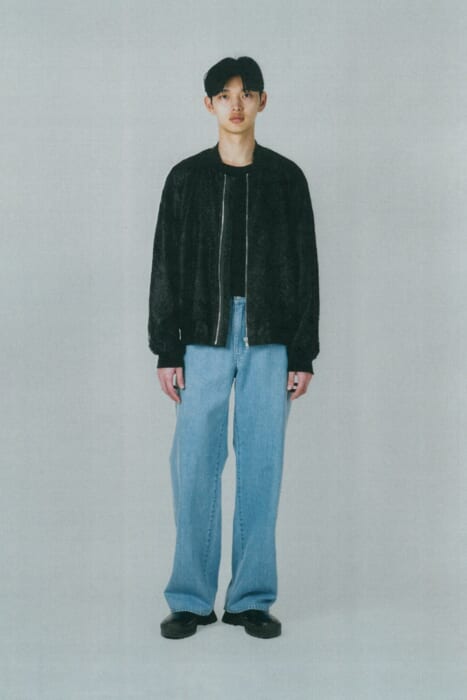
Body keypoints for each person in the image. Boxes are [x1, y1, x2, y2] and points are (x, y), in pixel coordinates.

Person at [148, 56, 320, 639]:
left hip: (271, 336)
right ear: (209, 105)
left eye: (246, 93)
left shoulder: (287, 178)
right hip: (202, 333)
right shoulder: (186, 179)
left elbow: (305, 267)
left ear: (263, 101)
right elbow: (165, 264)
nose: (236, 104)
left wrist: (302, 352)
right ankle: (191, 598)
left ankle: (251, 598)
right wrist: (167, 348)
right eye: (225, 95)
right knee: (194, 465)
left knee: (262, 466)